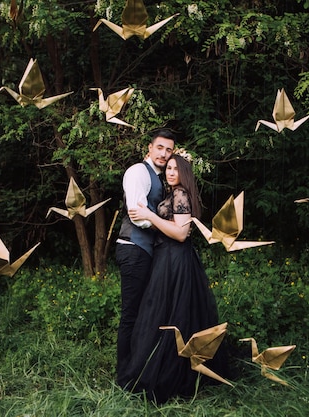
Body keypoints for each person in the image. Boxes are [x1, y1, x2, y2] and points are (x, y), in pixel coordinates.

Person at [118, 153, 228, 403]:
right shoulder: (173, 194)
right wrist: (151, 217)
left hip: (176, 259)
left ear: (184, 174)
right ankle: (158, 368)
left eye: (176, 169)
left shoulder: (181, 195)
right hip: (165, 257)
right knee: (162, 313)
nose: (170, 172)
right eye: (168, 168)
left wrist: (150, 215)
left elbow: (181, 233)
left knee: (171, 314)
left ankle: (171, 375)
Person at [115, 129, 175, 386]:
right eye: (159, 148)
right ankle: (123, 376)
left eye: (169, 149)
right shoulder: (138, 172)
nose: (163, 153)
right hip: (133, 249)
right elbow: (138, 215)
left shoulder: (162, 178)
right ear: (149, 149)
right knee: (131, 314)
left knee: (144, 312)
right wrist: (168, 227)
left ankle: (137, 368)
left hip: (147, 251)